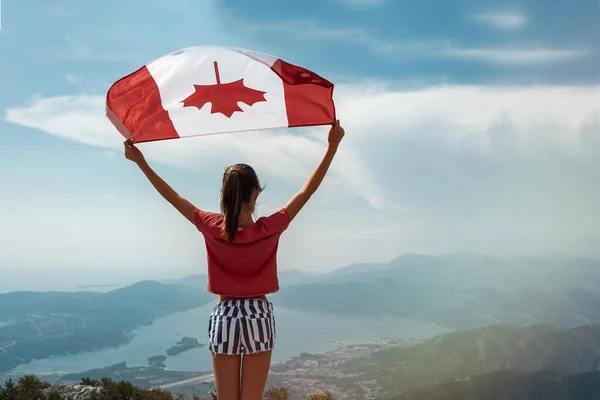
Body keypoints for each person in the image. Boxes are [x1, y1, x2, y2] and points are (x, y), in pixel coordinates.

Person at [124, 120, 345, 400]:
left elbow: (173, 196)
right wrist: (332, 147)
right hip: (258, 314)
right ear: (255, 194)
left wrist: (141, 162)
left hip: (225, 315)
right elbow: (306, 191)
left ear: (224, 195)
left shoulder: (211, 226)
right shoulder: (270, 228)